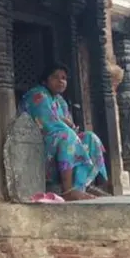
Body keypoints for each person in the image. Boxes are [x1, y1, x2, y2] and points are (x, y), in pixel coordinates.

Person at [19, 62, 109, 201]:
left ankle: (83, 185)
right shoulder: (38, 95)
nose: (61, 81)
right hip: (38, 143)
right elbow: (47, 124)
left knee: (90, 138)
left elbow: (68, 124)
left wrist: (71, 128)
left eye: (64, 78)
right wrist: (69, 128)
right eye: (56, 77)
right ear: (45, 80)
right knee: (68, 137)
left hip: (58, 138)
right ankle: (68, 190)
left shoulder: (60, 100)